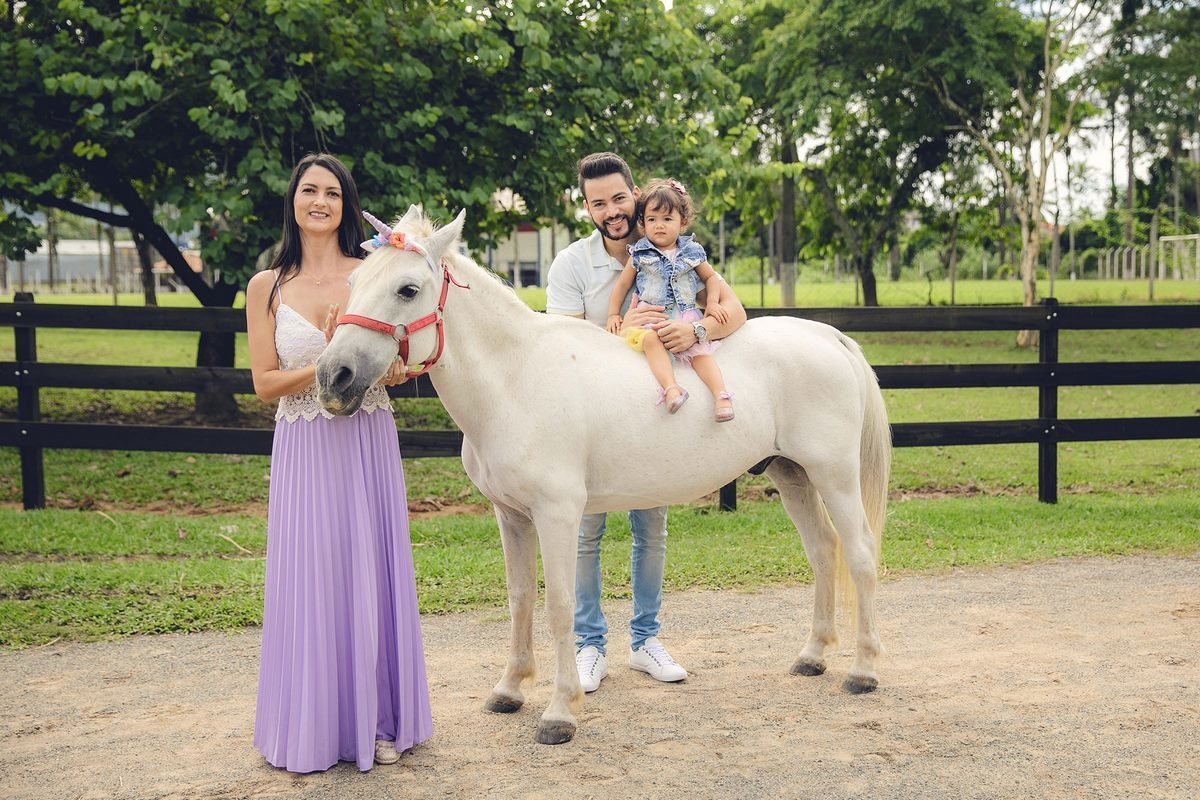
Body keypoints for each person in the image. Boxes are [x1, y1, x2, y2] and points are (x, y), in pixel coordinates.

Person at [245, 153, 432, 773]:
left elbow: (397, 357)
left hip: (365, 439)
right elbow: (266, 385)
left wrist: (393, 365)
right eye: (309, 190)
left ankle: (379, 721)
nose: (319, 201)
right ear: (293, 201)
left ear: (347, 205)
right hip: (304, 446)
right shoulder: (265, 286)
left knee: (368, 570)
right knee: (312, 578)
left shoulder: (369, 272)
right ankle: (314, 723)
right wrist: (326, 358)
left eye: (332, 192)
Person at [546, 152, 747, 693]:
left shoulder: (675, 249)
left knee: (650, 531)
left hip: (653, 421)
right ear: (586, 208)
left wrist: (698, 330)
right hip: (589, 427)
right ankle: (590, 645)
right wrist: (617, 331)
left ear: (635, 194)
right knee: (585, 534)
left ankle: (645, 641)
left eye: (618, 198)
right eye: (598, 203)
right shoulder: (572, 266)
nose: (611, 210)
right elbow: (557, 350)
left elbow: (736, 311)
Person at [606, 178, 735, 422]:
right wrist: (614, 314)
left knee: (700, 355)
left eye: (667, 219)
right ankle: (671, 389)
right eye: (652, 220)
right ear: (643, 223)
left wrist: (714, 303)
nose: (659, 226)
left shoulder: (692, 251)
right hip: (652, 318)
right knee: (652, 341)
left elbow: (711, 279)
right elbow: (622, 285)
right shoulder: (640, 252)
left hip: (685, 318)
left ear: (682, 222)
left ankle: (722, 396)